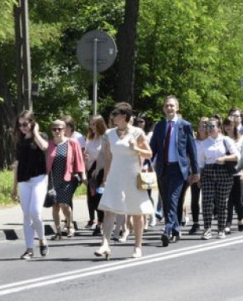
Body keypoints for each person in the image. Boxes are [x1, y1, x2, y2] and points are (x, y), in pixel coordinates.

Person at [96, 102, 154, 259]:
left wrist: (136, 149)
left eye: (115, 114)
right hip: (115, 176)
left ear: (124, 116)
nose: (113, 116)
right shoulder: (110, 133)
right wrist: (104, 179)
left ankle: (137, 246)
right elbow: (108, 158)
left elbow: (149, 154)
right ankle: (105, 244)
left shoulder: (137, 133)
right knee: (109, 210)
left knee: (136, 212)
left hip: (132, 176)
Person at [149, 96, 199, 247]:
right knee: (166, 200)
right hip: (163, 168)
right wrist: (145, 163)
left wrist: (195, 171)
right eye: (166, 106)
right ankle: (176, 230)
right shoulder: (159, 126)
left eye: (172, 106)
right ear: (163, 108)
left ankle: (167, 229)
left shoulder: (185, 125)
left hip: (179, 169)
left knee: (173, 199)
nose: (169, 108)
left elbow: (192, 150)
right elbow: (152, 149)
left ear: (177, 108)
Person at [11, 111, 50, 260]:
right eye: (20, 125)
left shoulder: (41, 137)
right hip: (24, 181)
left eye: (25, 124)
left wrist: (35, 132)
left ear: (32, 123)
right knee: (26, 215)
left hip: (39, 179)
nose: (22, 127)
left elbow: (45, 147)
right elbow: (17, 165)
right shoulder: (20, 142)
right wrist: (14, 188)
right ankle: (29, 249)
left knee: (35, 212)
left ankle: (42, 239)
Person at [197, 118, 239, 239]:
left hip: (224, 172)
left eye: (212, 126)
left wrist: (224, 158)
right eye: (207, 126)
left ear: (219, 128)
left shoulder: (226, 140)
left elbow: (237, 156)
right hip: (208, 172)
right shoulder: (204, 143)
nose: (209, 129)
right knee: (207, 201)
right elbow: (201, 162)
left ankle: (221, 229)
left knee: (221, 202)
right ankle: (207, 229)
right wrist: (199, 176)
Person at [45, 120, 85, 240]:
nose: (57, 131)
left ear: (64, 130)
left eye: (60, 129)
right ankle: (57, 232)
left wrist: (83, 175)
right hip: (52, 178)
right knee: (55, 205)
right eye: (54, 129)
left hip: (68, 177)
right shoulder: (49, 144)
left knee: (64, 204)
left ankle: (69, 224)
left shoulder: (72, 143)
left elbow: (79, 159)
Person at [223, 117, 243, 232]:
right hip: (226, 173)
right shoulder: (222, 139)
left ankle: (241, 218)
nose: (228, 127)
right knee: (228, 200)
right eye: (226, 125)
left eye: (230, 125)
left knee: (238, 199)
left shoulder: (242, 139)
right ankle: (227, 223)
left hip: (238, 172)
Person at [84, 115, 108, 234]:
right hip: (90, 170)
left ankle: (101, 224)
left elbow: (104, 156)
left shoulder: (105, 137)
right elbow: (86, 153)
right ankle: (97, 221)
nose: (91, 126)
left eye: (94, 124)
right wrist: (85, 157)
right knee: (92, 197)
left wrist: (98, 169)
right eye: (90, 124)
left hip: (101, 170)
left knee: (100, 197)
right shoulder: (90, 138)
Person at [189, 117, 208, 235]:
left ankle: (208, 223)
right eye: (200, 126)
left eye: (205, 126)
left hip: (207, 171)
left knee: (207, 200)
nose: (202, 128)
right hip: (195, 171)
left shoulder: (210, 141)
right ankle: (195, 223)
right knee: (194, 198)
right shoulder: (194, 141)